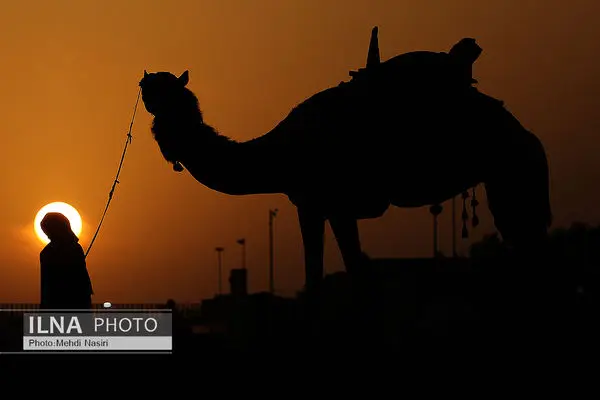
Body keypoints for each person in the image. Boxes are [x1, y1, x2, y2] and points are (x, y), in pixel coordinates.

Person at [39, 212, 93, 309]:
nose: (47, 236)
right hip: (62, 302)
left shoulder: (48, 252)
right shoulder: (49, 252)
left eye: (48, 231)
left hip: (70, 301)